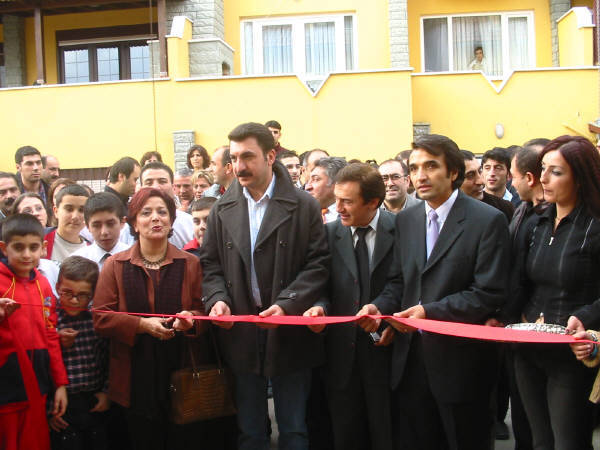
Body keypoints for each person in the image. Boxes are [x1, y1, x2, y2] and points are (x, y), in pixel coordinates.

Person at [357, 134, 510, 450]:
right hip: (411, 362)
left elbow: (488, 293)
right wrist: (379, 308)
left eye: (431, 166)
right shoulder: (407, 220)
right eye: (414, 168)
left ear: (453, 172)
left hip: (462, 364)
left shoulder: (487, 220)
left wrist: (429, 312)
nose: (420, 176)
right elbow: (400, 282)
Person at [200, 122, 329, 450]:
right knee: (250, 430)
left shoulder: (304, 205)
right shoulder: (221, 209)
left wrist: (287, 304)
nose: (239, 166)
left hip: (290, 331)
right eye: (234, 158)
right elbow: (211, 265)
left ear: (271, 156)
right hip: (242, 332)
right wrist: (218, 299)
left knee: (294, 429)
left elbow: (318, 265)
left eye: (248, 156)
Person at [93, 188, 204, 450]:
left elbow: (202, 312)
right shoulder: (116, 265)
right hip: (133, 372)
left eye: (162, 212)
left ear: (172, 221)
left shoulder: (190, 263)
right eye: (146, 213)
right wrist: (141, 325)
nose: (155, 218)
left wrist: (190, 320)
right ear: (133, 223)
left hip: (179, 367)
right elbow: (101, 318)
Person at [510, 135, 600, 450]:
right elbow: (522, 283)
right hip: (529, 348)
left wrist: (586, 316)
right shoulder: (537, 223)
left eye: (556, 172)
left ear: (580, 178)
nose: (543, 179)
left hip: (572, 354)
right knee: (541, 441)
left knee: (568, 443)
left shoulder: (594, 227)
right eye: (543, 169)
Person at [304, 164, 395, 450]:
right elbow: (322, 285)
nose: (338, 208)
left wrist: (382, 311)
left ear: (373, 202)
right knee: (346, 434)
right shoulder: (329, 233)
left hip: (386, 352)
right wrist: (319, 307)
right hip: (341, 355)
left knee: (387, 433)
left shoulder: (402, 229)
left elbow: (404, 282)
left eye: (347, 201)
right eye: (337, 199)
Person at [0, 213, 69, 450]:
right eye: (18, 247)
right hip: (5, 386)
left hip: (38, 386)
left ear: (44, 248)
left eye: (33, 247)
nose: (27, 254)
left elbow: (51, 334)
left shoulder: (44, 284)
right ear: (4, 248)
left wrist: (60, 384)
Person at [50, 256, 109, 450]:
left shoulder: (96, 320)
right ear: (57, 287)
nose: (74, 300)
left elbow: (109, 358)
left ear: (92, 295)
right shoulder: (50, 320)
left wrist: (106, 392)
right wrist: (49, 409)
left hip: (94, 399)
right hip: (61, 403)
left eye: (82, 295)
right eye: (67, 293)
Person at [139, 162, 194, 249]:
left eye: (162, 181)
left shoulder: (190, 223)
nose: (156, 187)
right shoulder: (129, 228)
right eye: (149, 182)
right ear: (141, 188)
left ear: (173, 187)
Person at [72, 193, 130, 271]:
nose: (104, 232)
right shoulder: (77, 262)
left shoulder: (134, 258)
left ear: (122, 222)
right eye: (96, 225)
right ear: (87, 226)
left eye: (110, 224)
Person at [460, 150, 514, 222]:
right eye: (470, 175)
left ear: (509, 175)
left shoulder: (505, 208)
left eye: (480, 171)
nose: (481, 181)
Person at [45, 184, 91, 263]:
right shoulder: (41, 243)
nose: (75, 216)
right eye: (69, 209)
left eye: (81, 210)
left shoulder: (91, 251)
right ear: (56, 211)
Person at [305, 157, 347, 223]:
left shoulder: (352, 217)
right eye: (308, 180)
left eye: (315, 179)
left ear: (336, 183)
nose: (307, 187)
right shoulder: (302, 214)